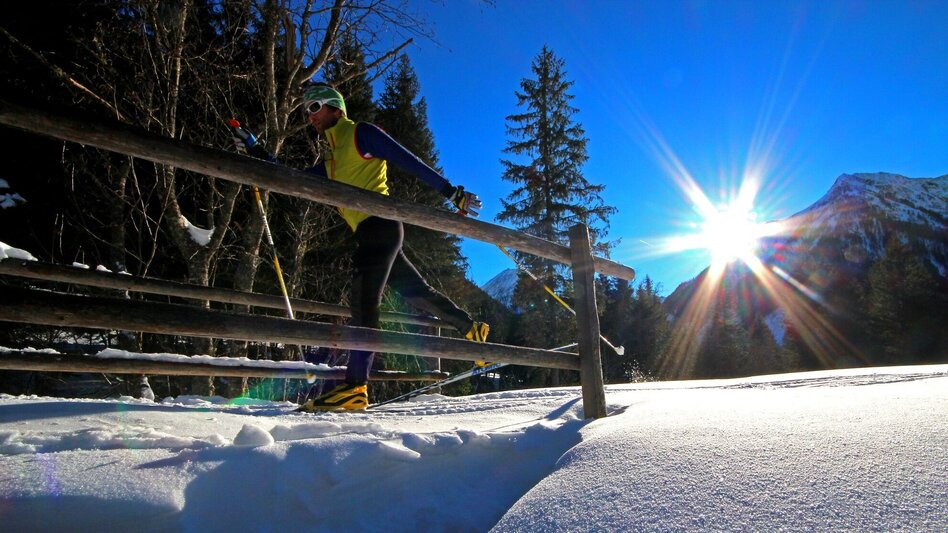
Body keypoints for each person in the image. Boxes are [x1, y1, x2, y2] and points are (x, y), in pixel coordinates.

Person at [291, 85, 489, 411]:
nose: (309, 115)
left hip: (379, 227)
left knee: (363, 303)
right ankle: (471, 328)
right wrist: (256, 152)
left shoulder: (360, 134)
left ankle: (355, 387)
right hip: (372, 232)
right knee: (417, 293)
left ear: (335, 108)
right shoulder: (330, 160)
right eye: (306, 110)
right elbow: (291, 177)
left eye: (314, 106)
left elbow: (405, 158)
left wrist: (450, 192)